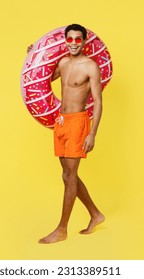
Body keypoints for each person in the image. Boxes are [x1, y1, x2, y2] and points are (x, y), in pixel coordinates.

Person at [27, 24, 105, 244]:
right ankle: (96, 214)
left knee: (69, 176)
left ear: (84, 41)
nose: (73, 43)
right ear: (65, 41)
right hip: (61, 122)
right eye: (69, 39)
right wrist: (34, 55)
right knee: (67, 175)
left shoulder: (90, 66)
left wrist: (92, 133)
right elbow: (41, 79)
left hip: (78, 123)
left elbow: (98, 102)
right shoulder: (62, 63)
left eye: (77, 39)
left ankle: (62, 229)